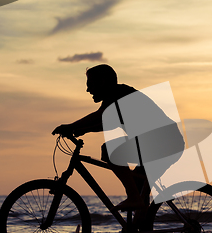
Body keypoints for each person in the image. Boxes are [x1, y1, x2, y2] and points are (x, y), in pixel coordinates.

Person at [52, 64, 184, 216]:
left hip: (163, 142)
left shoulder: (118, 93)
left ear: (102, 82)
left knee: (109, 150)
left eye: (90, 85)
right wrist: (83, 130)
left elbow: (101, 116)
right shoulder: (116, 96)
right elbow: (107, 122)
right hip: (166, 143)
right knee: (139, 190)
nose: (88, 90)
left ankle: (134, 198)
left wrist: (70, 126)